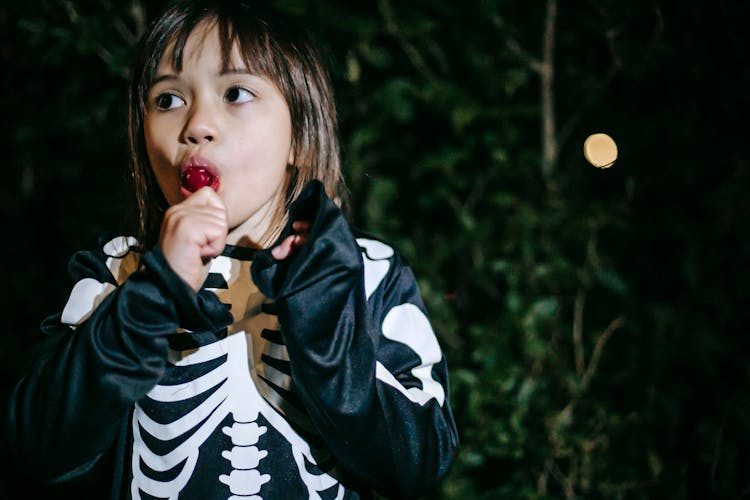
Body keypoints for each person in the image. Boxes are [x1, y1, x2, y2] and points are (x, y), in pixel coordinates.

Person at [2, 1, 458, 498]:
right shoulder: (118, 270)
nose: (197, 124)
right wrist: (153, 294)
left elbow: (421, 463)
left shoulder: (369, 273)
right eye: (168, 99)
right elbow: (36, 447)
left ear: (299, 137)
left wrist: (326, 321)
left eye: (236, 92)